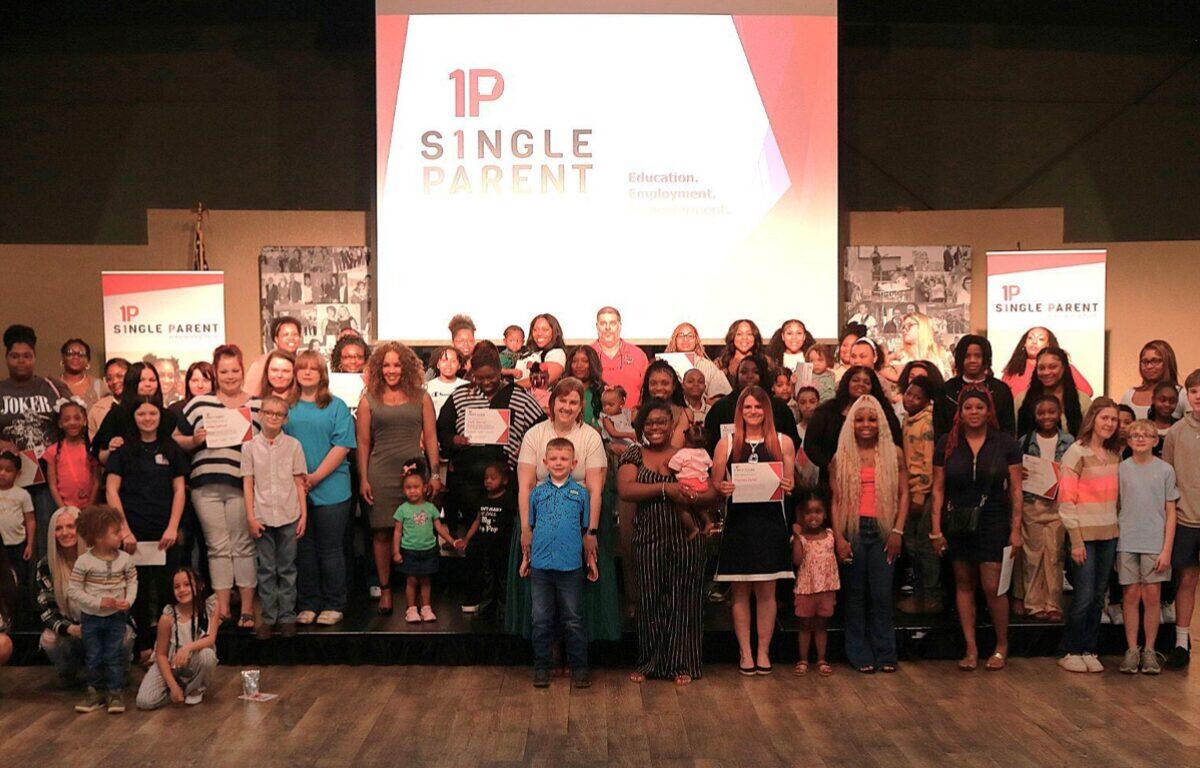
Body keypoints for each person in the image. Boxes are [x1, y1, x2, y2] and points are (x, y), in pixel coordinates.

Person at [436, 341, 546, 611]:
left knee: (503, 538)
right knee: (474, 536)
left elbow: (540, 428)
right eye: (480, 377)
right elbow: (442, 430)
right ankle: (475, 592)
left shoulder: (519, 397)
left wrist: (526, 447)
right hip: (469, 481)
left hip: (505, 481)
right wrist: (454, 440)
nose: (486, 383)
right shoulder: (461, 396)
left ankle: (505, 596)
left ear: (500, 371)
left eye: (491, 377)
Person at [510, 378, 617, 643]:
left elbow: (595, 489)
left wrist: (591, 531)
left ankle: (577, 649)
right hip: (539, 520)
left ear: (581, 407)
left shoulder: (590, 437)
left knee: (576, 598)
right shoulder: (534, 435)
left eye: (573, 402)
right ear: (552, 402)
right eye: (562, 400)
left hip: (581, 520)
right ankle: (546, 649)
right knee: (542, 596)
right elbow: (526, 486)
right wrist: (526, 528)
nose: (567, 407)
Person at [617, 398, 714, 685]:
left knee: (685, 600)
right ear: (641, 426)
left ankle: (682, 663)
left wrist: (693, 495)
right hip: (648, 536)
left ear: (672, 425)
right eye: (649, 423)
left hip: (687, 536)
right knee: (649, 600)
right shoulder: (633, 453)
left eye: (661, 421)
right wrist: (666, 489)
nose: (655, 427)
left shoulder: (688, 454)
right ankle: (649, 663)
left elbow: (710, 492)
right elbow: (626, 489)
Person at [930, 388, 1023, 671]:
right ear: (960, 412)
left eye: (979, 407)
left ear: (988, 410)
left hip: (993, 518)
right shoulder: (947, 442)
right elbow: (938, 489)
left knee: (993, 587)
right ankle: (971, 648)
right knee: (964, 583)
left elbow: (1016, 491)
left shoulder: (1005, 443)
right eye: (968, 407)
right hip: (958, 519)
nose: (974, 412)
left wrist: (1016, 529)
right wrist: (935, 530)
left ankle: (1001, 645)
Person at [711, 385, 796, 675]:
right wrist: (722, 487)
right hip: (739, 525)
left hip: (770, 525)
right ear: (740, 410)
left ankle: (763, 651)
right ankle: (745, 652)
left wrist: (788, 484)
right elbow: (715, 484)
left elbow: (791, 482)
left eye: (758, 407)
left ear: (766, 410)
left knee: (767, 592)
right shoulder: (727, 443)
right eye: (747, 407)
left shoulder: (783, 442)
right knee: (740, 592)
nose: (753, 411)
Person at [174, 345, 261, 627]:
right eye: (224, 371)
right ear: (215, 372)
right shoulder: (199, 404)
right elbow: (175, 438)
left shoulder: (257, 405)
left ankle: (247, 608)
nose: (230, 375)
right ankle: (222, 608)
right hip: (205, 485)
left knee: (242, 545)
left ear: (242, 370)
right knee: (216, 546)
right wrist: (194, 440)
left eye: (235, 370)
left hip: (241, 484)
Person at [356, 341, 442, 616]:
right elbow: (363, 443)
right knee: (381, 532)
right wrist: (363, 478)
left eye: (396, 364)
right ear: (378, 368)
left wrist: (434, 474)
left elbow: (431, 438)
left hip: (415, 474)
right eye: (386, 365)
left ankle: (419, 597)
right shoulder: (368, 399)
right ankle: (385, 589)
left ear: (405, 367)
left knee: (418, 530)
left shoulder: (422, 397)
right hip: (380, 473)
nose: (391, 370)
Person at [831, 395, 909, 673]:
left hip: (884, 529)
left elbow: (904, 494)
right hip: (853, 529)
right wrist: (839, 538)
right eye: (860, 419)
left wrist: (897, 530)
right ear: (851, 424)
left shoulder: (894, 453)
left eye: (872, 419)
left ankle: (886, 653)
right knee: (854, 595)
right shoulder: (841, 456)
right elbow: (836, 500)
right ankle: (858, 653)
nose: (866, 424)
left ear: (881, 423)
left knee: (882, 594)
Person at [105, 399, 188, 656]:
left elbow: (179, 490)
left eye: (153, 413)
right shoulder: (122, 450)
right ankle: (142, 646)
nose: (148, 418)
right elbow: (111, 490)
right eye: (142, 413)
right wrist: (124, 530)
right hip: (133, 532)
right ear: (134, 417)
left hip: (165, 533)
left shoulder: (171, 448)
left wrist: (173, 527)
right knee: (137, 591)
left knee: (167, 589)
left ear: (160, 417)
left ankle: (167, 647)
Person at [286, 350, 356, 626]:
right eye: (302, 368)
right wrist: (299, 482)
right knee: (303, 550)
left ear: (322, 374)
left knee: (330, 550)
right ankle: (308, 603)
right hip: (295, 490)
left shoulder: (336, 406)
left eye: (313, 368)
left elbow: (342, 446)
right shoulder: (287, 406)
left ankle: (334, 603)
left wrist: (314, 477)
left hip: (332, 488)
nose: (307, 373)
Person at [520, 437, 596, 688]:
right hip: (541, 567)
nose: (559, 463)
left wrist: (591, 560)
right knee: (541, 621)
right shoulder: (537, 493)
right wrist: (526, 558)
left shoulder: (581, 494)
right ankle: (541, 668)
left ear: (574, 463)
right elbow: (531, 528)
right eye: (553, 458)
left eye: (564, 459)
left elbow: (585, 531)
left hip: (570, 567)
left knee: (573, 620)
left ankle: (579, 669)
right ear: (545, 462)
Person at [1054, 398, 1121, 673]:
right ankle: (1070, 649)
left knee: (1098, 596)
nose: (1109, 423)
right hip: (1083, 536)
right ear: (1093, 419)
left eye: (1114, 419)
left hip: (1109, 534)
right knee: (1083, 595)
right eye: (1105, 418)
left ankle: (1089, 648)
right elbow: (1066, 499)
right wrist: (1076, 540)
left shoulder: (1114, 454)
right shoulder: (1076, 453)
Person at [37, 506, 135, 686]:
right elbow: (46, 611)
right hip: (72, 627)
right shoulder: (46, 564)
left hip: (106, 621)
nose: (65, 533)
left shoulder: (103, 556)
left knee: (126, 635)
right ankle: (68, 674)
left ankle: (117, 673)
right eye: (58, 528)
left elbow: (121, 593)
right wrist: (71, 629)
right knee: (48, 639)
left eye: (70, 526)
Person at [241, 394, 308, 639]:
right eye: (268, 412)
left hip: (289, 514)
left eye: (279, 414)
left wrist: (303, 515)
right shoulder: (249, 447)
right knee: (266, 569)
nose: (273, 417)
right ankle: (269, 617)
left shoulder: (293, 445)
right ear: (260, 415)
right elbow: (248, 484)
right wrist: (250, 517)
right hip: (262, 516)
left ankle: (287, 616)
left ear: (285, 419)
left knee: (288, 568)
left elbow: (299, 482)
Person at [1116, 419, 1179, 674]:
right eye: (1135, 435)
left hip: (1155, 543)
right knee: (1130, 596)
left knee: (1152, 597)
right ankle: (1132, 649)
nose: (1140, 438)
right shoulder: (1121, 469)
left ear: (1155, 440)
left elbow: (1171, 512)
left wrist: (1166, 549)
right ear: (1128, 440)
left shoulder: (1165, 470)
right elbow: (1117, 505)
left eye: (1146, 435)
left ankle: (1150, 650)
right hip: (1127, 541)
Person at [0, 324, 66, 559]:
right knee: (14, 543)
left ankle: (46, 581)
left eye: (27, 356)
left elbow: (73, 423)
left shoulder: (52, 387)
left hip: (49, 479)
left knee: (49, 537)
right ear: (6, 358)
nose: (21, 361)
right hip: (10, 482)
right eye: (15, 356)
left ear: (35, 357)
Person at [70, 504, 138, 715]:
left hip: (116, 617)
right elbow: (74, 590)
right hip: (91, 618)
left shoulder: (125, 560)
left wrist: (128, 600)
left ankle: (115, 692)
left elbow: (133, 581)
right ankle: (94, 692)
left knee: (113, 654)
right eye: (116, 532)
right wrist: (98, 603)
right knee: (93, 655)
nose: (121, 535)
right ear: (99, 537)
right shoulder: (84, 561)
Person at [1013, 395, 1074, 621]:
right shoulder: (1025, 441)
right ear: (1034, 415)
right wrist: (1021, 473)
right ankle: (1033, 602)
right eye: (1041, 413)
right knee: (1032, 555)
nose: (1046, 416)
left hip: (1058, 503)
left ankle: (1053, 603)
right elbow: (1015, 470)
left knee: (1055, 554)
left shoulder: (1069, 441)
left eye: (1051, 412)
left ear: (1059, 414)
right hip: (1032, 503)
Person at [136, 567, 219, 709]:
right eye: (177, 587)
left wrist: (187, 648)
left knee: (208, 655)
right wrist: (173, 686)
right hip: (170, 663)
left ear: (200, 585)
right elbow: (161, 654)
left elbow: (210, 639)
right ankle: (177, 688)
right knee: (144, 701)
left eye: (187, 584)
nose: (182, 590)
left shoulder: (210, 607)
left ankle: (194, 688)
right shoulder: (168, 617)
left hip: (193, 660)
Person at [804, 366, 902, 484]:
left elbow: (895, 443)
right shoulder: (827, 410)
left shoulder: (884, 412)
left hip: (874, 479)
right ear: (847, 383)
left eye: (866, 382)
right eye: (855, 380)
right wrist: (830, 465)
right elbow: (811, 444)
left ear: (873, 387)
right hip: (832, 479)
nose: (860, 384)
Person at [1163, 370, 1200, 669]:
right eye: (1194, 391)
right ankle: (1180, 642)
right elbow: (1167, 475)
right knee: (1186, 579)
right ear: (1187, 395)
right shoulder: (1176, 432)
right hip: (1186, 519)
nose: (1199, 396)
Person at [896, 376, 941, 614]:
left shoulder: (927, 423)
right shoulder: (907, 419)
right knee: (912, 545)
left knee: (924, 545)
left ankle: (931, 597)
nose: (910, 399)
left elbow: (928, 461)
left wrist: (921, 494)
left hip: (923, 491)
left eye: (917, 397)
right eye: (909, 394)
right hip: (909, 487)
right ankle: (919, 594)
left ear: (926, 401)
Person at [393, 467, 457, 623]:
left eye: (416, 487)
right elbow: (397, 532)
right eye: (408, 488)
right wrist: (396, 552)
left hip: (428, 551)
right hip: (409, 551)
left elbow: (439, 528)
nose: (412, 491)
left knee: (426, 580)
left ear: (424, 488)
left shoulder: (430, 508)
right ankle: (411, 609)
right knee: (411, 581)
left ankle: (426, 608)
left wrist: (452, 541)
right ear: (403, 490)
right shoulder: (402, 509)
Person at [703, 354, 801, 454]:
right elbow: (709, 444)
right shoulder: (720, 408)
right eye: (744, 372)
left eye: (756, 372)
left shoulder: (780, 408)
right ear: (737, 376)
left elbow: (792, 444)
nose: (750, 376)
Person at [93, 361, 178, 465]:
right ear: (131, 382)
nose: (148, 384)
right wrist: (111, 449)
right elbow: (100, 455)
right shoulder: (117, 414)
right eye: (141, 380)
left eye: (152, 380)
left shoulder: (168, 416)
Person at [459, 461, 517, 615]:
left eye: (493, 478)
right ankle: (487, 606)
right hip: (486, 547)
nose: (488, 481)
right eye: (486, 478)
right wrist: (466, 539)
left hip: (503, 547)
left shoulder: (508, 500)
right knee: (488, 577)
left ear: (504, 480)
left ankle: (504, 609)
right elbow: (477, 520)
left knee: (503, 578)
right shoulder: (483, 499)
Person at [791, 491, 838, 677]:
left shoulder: (831, 536)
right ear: (802, 515)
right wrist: (796, 536)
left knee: (821, 626)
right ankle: (803, 659)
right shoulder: (800, 538)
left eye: (818, 512)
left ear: (825, 514)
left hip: (826, 589)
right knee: (804, 626)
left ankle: (821, 659)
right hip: (805, 589)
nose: (813, 516)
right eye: (808, 512)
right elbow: (796, 560)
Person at [933, 335, 1016, 437]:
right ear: (960, 358)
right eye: (967, 356)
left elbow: (1008, 430)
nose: (972, 360)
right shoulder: (946, 391)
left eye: (977, 356)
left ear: (985, 358)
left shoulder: (1001, 390)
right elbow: (940, 430)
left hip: (995, 445)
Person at [1015, 347, 1091, 437]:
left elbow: (1089, 438)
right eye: (1041, 368)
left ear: (1064, 368)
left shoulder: (1083, 400)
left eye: (1052, 367)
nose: (1046, 372)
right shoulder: (1021, 399)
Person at [1000, 326, 1094, 398]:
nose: (1034, 342)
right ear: (1024, 343)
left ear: (1048, 345)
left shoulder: (1063, 368)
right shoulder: (1012, 369)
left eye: (1040, 339)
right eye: (1030, 338)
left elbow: (1087, 392)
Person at [592, 307, 649, 408]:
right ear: (597, 327)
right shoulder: (587, 355)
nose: (608, 328)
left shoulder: (638, 355)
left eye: (612, 323)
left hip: (632, 417)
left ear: (619, 326)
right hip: (594, 417)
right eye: (603, 323)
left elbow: (647, 391)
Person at [664, 322, 732, 404]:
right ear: (674, 339)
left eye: (690, 336)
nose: (685, 339)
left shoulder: (708, 366)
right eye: (681, 336)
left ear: (696, 340)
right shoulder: (664, 365)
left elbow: (724, 397)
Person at [666, 422, 714, 538]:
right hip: (702, 484)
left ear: (686, 440)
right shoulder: (704, 452)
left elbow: (672, 467)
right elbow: (710, 465)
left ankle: (692, 529)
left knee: (682, 508)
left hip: (687, 486)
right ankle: (708, 522)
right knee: (699, 506)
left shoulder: (682, 453)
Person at [1119, 340, 1185, 420]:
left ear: (1168, 362)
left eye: (1155, 361)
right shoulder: (1129, 395)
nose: (1149, 366)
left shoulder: (1181, 394)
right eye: (1145, 362)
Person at [0, 450, 34, 593]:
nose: (2, 473)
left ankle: (23, 605)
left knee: (21, 580)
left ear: (17, 474)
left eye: (8, 470)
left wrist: (30, 545)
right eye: (0, 469)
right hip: (1, 546)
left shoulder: (22, 494)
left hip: (18, 545)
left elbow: (30, 520)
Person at [638, 359, 692, 447]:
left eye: (665, 383)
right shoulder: (637, 412)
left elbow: (675, 447)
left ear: (674, 386)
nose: (659, 388)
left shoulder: (684, 414)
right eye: (653, 383)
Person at [245, 316, 303, 397]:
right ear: (276, 339)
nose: (291, 338)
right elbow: (249, 395)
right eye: (285, 335)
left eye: (295, 334)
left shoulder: (303, 361)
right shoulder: (263, 362)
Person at [890, 313, 953, 379]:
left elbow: (949, 381)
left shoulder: (941, 354)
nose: (904, 330)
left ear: (923, 327)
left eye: (909, 325)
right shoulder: (898, 357)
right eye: (903, 327)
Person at [512, 314, 567, 388]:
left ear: (554, 332)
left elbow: (543, 380)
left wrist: (509, 388)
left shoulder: (557, 353)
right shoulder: (527, 353)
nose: (539, 334)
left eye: (545, 330)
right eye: (535, 330)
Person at [88, 358, 130, 440]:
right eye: (109, 378)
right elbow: (94, 444)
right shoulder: (97, 409)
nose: (114, 381)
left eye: (119, 376)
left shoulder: (144, 404)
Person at [714, 319, 764, 387]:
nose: (744, 338)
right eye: (739, 334)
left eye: (749, 334)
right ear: (732, 336)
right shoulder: (720, 363)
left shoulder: (765, 362)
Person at [566, 345, 605, 428]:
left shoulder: (604, 392)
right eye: (574, 361)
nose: (579, 365)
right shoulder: (561, 391)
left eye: (585, 361)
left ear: (593, 364)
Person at [59, 338, 105, 409]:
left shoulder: (99, 386)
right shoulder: (52, 386)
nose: (75, 357)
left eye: (81, 354)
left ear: (88, 361)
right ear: (63, 358)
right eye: (70, 353)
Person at [426, 346, 469, 418]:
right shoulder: (427, 387)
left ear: (459, 365)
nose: (448, 365)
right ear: (438, 365)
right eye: (444, 361)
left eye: (453, 361)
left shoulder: (467, 386)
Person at [600, 386, 637, 455]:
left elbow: (632, 420)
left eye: (611, 405)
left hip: (630, 437)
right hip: (618, 440)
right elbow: (613, 433)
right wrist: (629, 435)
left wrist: (635, 412)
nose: (607, 408)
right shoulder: (606, 418)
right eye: (604, 405)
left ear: (621, 403)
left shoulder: (625, 412)